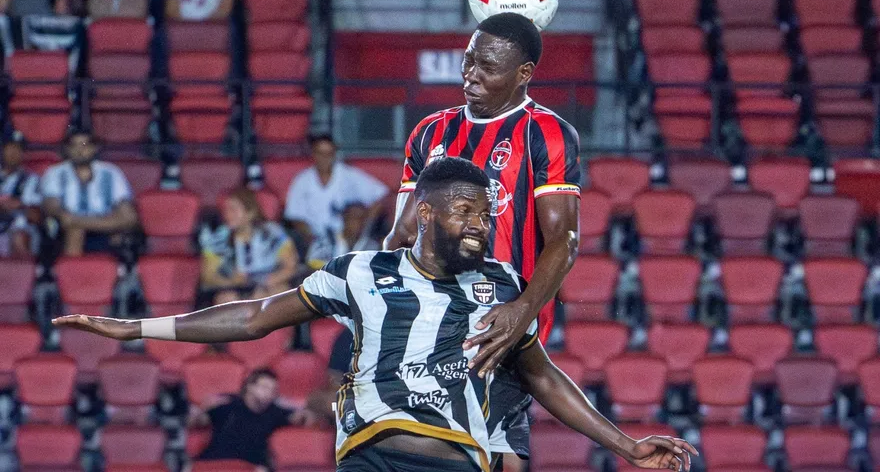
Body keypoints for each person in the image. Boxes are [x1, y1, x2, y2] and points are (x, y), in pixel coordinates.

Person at [54, 158, 696, 472]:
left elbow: (542, 376)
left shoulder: (503, 284)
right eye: (466, 211)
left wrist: (625, 445)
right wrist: (136, 327)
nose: (481, 224)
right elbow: (254, 318)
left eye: (486, 214)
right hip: (373, 453)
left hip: (458, 459)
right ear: (425, 214)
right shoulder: (359, 271)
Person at [383, 12, 581, 470]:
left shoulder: (545, 132)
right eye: (468, 60)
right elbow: (402, 234)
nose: (470, 75)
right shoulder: (430, 131)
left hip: (499, 329)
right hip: (428, 326)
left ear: (523, 73)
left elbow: (564, 239)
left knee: (502, 460)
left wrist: (521, 312)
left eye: (487, 67)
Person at [189, 368, 316, 471]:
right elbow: (195, 422)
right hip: (215, 462)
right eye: (264, 387)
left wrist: (304, 415)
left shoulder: (275, 412)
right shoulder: (228, 404)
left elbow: (303, 418)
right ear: (250, 386)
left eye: (273, 390)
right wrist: (202, 409)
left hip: (250, 466)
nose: (269, 393)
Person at [40, 131, 138, 256]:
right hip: (67, 232)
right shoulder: (55, 173)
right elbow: (52, 207)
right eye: (74, 145)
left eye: (84, 145)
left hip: (102, 227)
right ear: (67, 149)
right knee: (75, 231)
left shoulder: (111, 172)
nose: (79, 150)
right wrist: (73, 221)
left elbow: (128, 215)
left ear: (94, 148)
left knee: (123, 228)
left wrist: (78, 221)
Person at [283, 134, 388, 249]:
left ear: (334, 154)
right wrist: (311, 239)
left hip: (346, 238)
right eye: (320, 153)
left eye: (329, 154)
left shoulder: (348, 175)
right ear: (313, 154)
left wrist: (365, 228)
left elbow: (381, 195)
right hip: (315, 240)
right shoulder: (302, 180)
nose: (325, 158)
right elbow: (294, 215)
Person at [199, 187, 299, 304]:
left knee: (281, 292)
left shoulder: (272, 233)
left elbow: (290, 266)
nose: (228, 214)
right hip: (236, 292)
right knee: (225, 299)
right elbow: (208, 276)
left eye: (233, 209)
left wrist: (270, 281)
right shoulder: (218, 239)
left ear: (250, 212)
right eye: (226, 210)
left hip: (269, 287)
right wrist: (231, 282)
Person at [305, 201, 381, 270]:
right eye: (355, 217)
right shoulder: (325, 242)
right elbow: (312, 266)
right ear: (344, 218)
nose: (360, 222)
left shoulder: (372, 246)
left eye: (363, 218)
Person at [0, 139, 41, 257]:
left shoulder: (32, 180)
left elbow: (35, 215)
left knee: (19, 237)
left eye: (17, 149)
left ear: (23, 153)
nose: (13, 153)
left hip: (19, 226)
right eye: (9, 148)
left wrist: (18, 205)